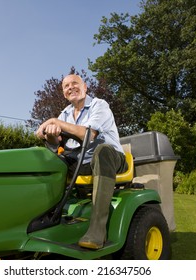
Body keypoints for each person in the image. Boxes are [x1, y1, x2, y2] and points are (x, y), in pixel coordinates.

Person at [36, 74, 127, 250]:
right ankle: (45, 219)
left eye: (75, 84)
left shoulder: (99, 105)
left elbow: (88, 135)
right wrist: (52, 136)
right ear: (64, 93)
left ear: (85, 87)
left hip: (111, 158)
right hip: (81, 161)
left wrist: (55, 122)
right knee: (48, 158)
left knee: (102, 151)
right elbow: (54, 143)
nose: (71, 87)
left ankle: (97, 231)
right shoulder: (66, 113)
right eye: (66, 86)